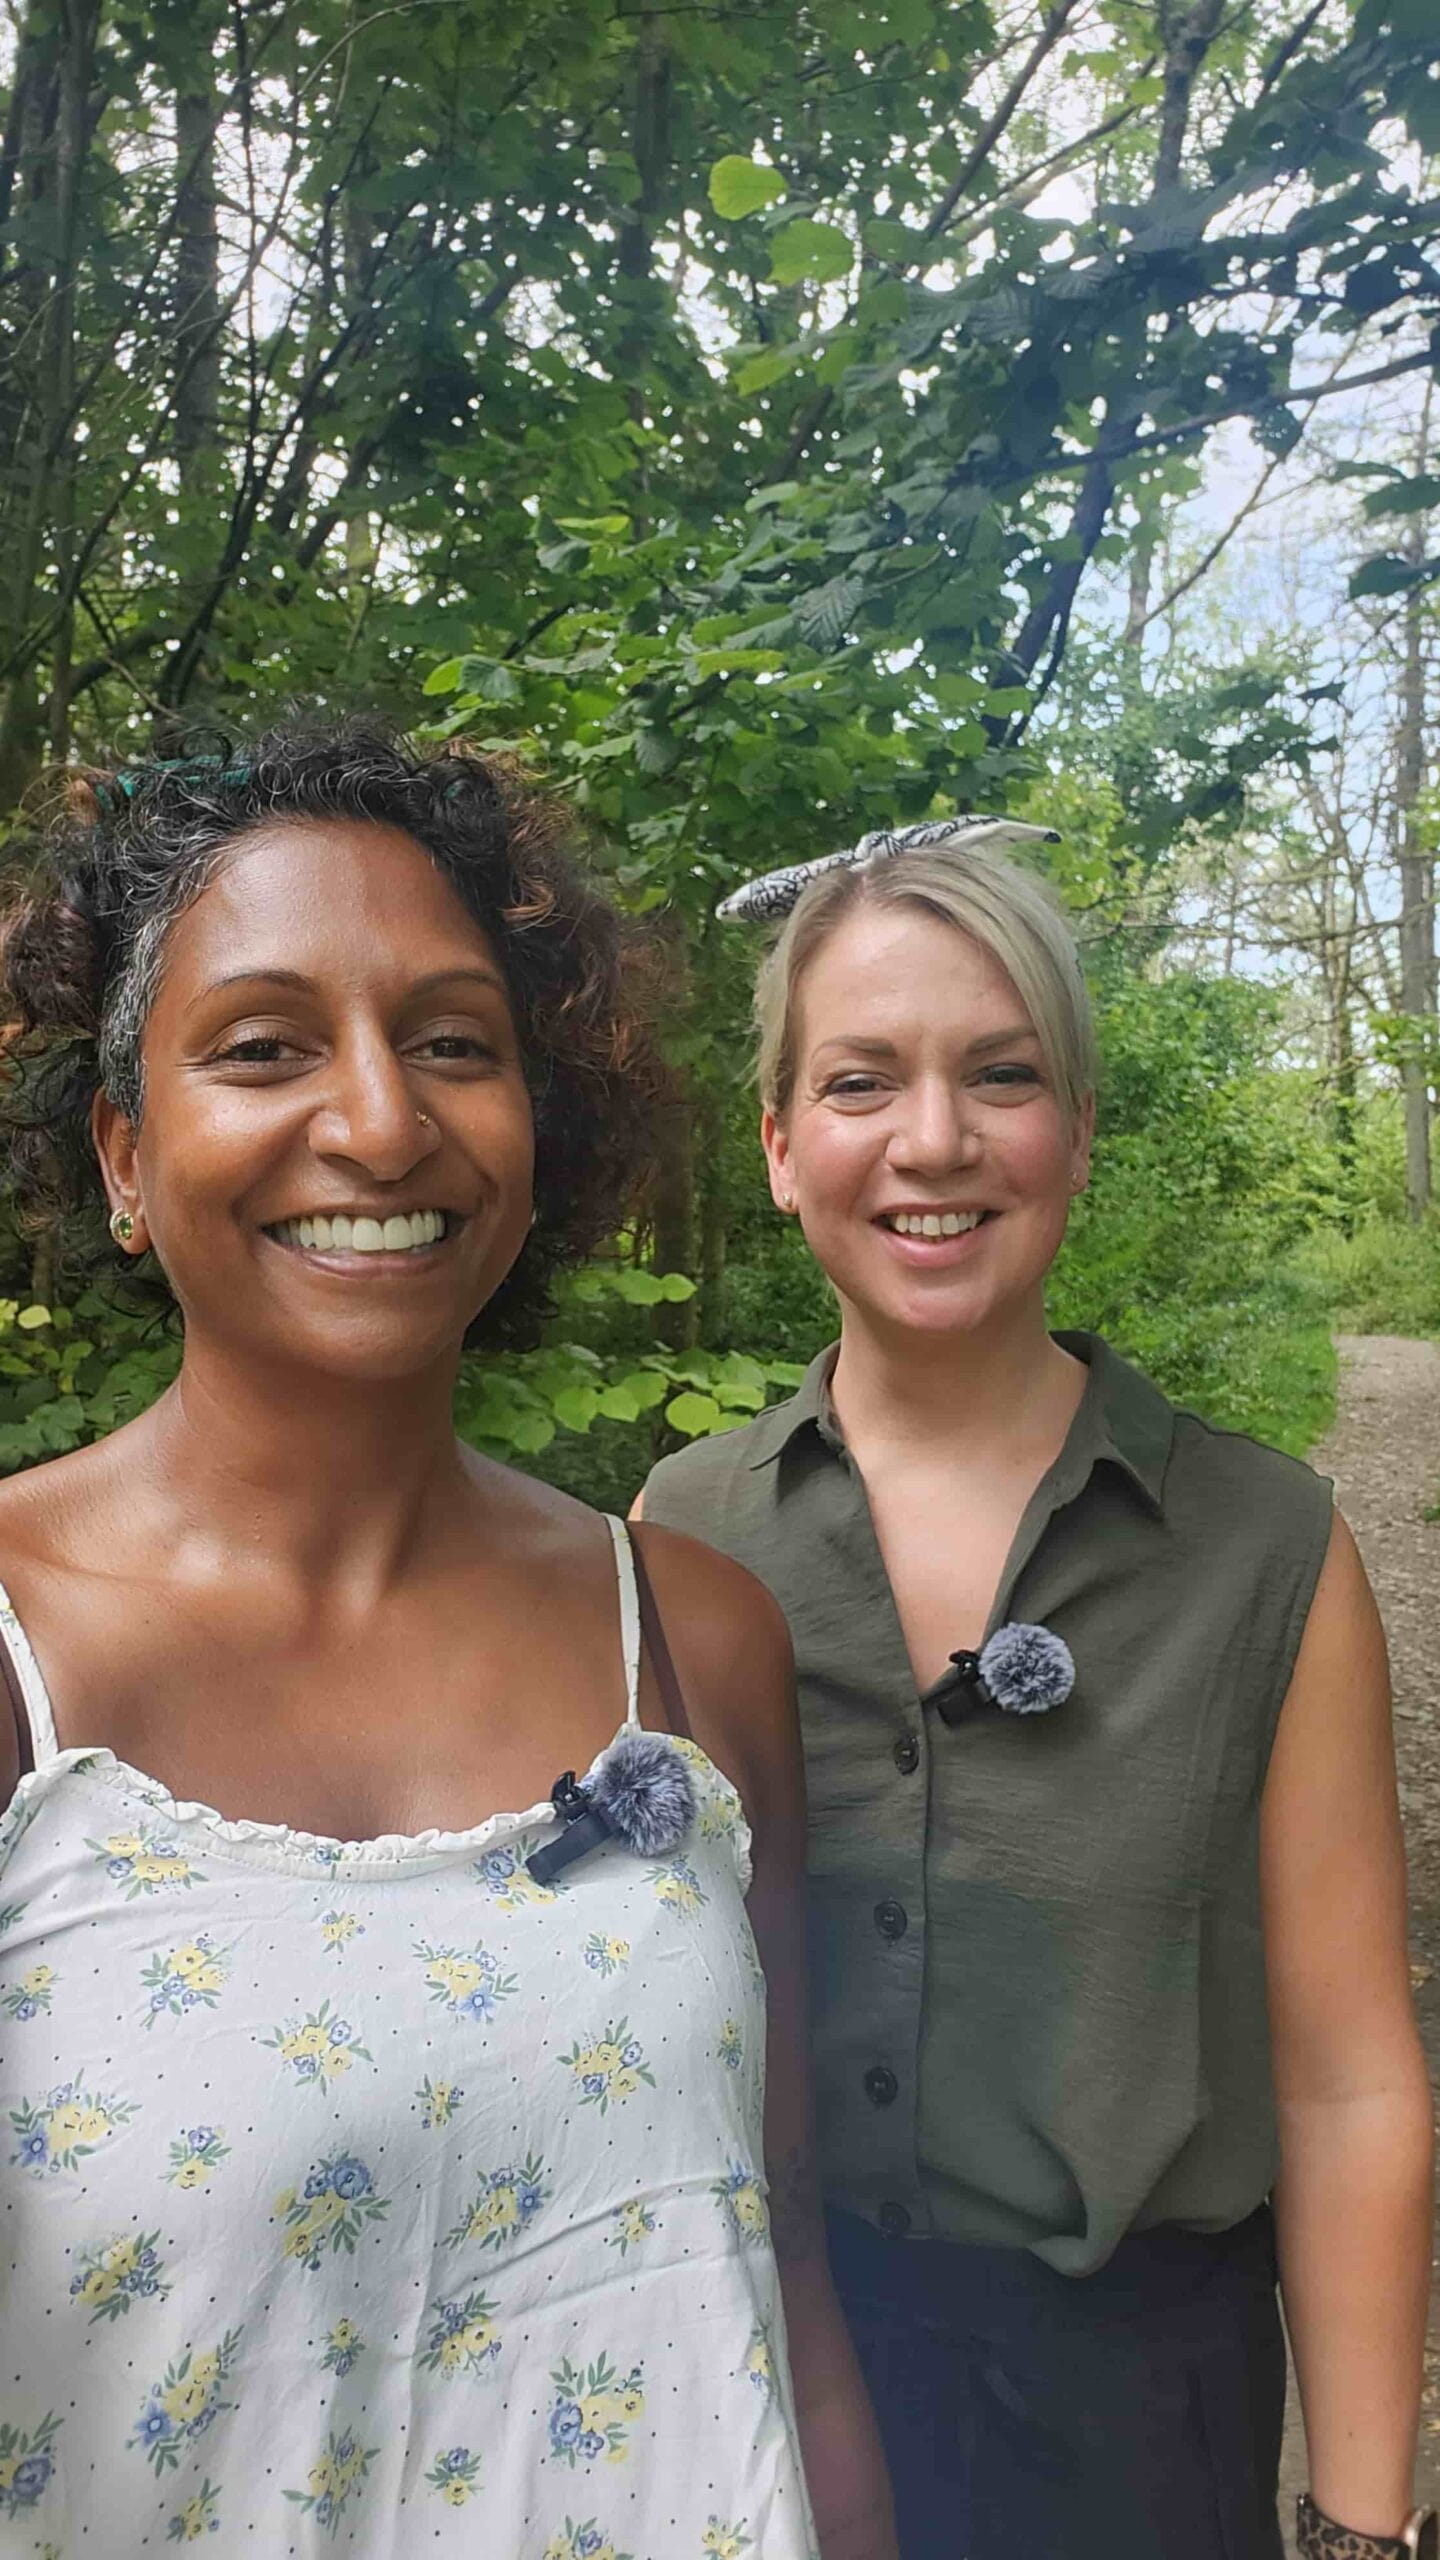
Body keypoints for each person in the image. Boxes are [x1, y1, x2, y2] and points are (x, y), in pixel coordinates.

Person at [0, 723, 895, 2560]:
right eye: (264, 1046)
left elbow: (785, 2272)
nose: (381, 1122)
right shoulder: (18, 1658)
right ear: (122, 1153)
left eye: (453, 1043)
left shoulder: (691, 1641)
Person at [638, 819, 1436, 2560]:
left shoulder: (1264, 1547)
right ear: (778, 1145)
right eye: (861, 1080)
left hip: (1140, 2432)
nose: (934, 1139)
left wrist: (1362, 2530)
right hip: (768, 2394)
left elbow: (1349, 2083)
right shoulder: (679, 1537)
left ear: (1074, 1127)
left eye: (1000, 1075)